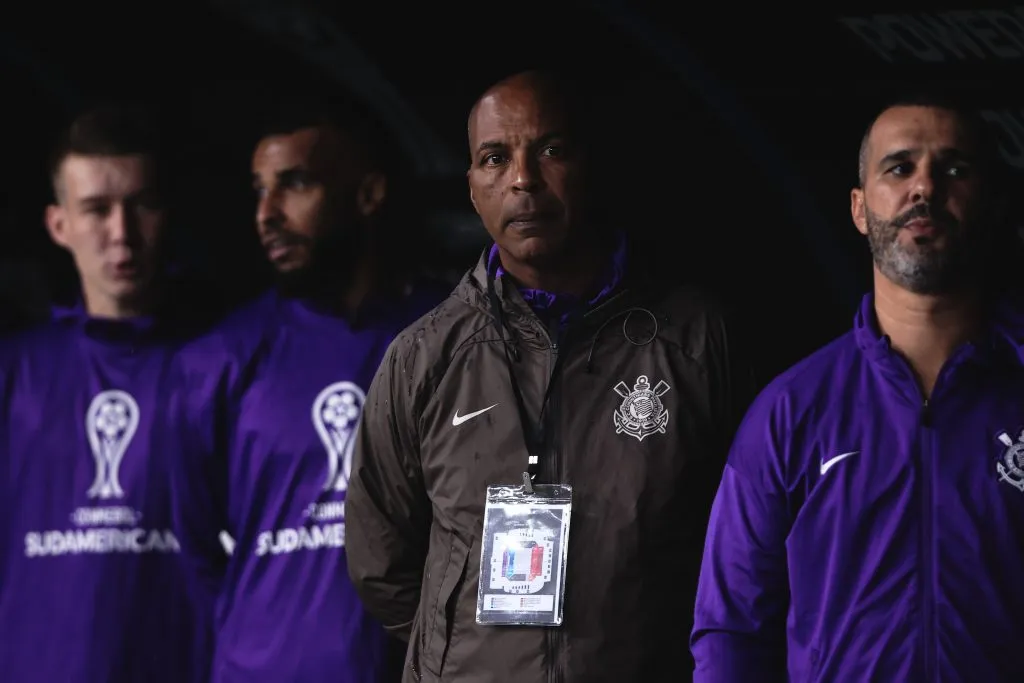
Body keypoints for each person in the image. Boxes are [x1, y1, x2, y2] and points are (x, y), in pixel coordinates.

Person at [345, 68, 755, 683]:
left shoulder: (695, 337)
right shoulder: (422, 358)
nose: (523, 179)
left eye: (551, 150)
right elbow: (382, 562)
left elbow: (750, 543)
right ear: (473, 188)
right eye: (494, 158)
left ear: (589, 164)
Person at [690, 94, 1024, 682]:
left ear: (993, 203)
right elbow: (732, 630)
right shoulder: (790, 412)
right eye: (899, 168)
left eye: (954, 170)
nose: (925, 188)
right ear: (859, 208)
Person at [169, 97, 447, 683]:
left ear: (368, 194)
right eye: (258, 190)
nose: (267, 213)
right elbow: (195, 548)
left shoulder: (447, 333)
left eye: (294, 184)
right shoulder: (219, 358)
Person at [0, 105, 212, 682]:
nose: (121, 233)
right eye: (96, 209)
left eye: (140, 205)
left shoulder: (222, 367)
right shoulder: (15, 372)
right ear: (58, 224)